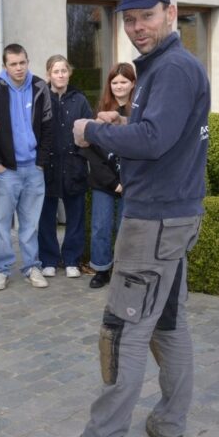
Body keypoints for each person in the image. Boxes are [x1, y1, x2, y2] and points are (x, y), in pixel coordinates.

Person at [47, 0, 209, 437]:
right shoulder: (166, 68)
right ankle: (170, 423)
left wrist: (92, 129)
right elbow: (164, 136)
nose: (138, 27)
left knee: (123, 330)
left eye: (148, 16)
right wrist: (122, 128)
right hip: (174, 214)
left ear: (171, 12)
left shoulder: (174, 69)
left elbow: (157, 140)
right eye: (130, 20)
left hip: (155, 220)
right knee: (168, 324)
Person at [0, 44, 54, 291]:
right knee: (2, 224)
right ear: (5, 66)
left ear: (28, 61)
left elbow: (48, 126)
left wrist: (41, 162)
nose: (18, 68)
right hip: (7, 171)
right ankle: (0, 270)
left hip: (33, 169)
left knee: (31, 223)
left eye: (22, 62)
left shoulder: (39, 87)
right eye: (13, 64)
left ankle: (32, 267)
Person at [37, 55, 91, 279]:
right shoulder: (41, 98)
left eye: (63, 70)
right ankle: (49, 259)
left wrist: (81, 155)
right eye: (55, 71)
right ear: (48, 74)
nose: (60, 75)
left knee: (75, 215)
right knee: (46, 215)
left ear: (69, 73)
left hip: (73, 164)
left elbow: (89, 130)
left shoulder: (79, 100)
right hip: (47, 165)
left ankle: (71, 259)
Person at [83, 63, 135, 289]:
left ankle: (125, 270)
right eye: (114, 82)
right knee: (100, 226)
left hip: (131, 182)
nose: (119, 86)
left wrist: (126, 182)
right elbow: (92, 150)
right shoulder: (101, 111)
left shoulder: (140, 112)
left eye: (124, 81)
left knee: (127, 229)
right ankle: (102, 269)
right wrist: (113, 183)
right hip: (104, 181)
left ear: (133, 83)